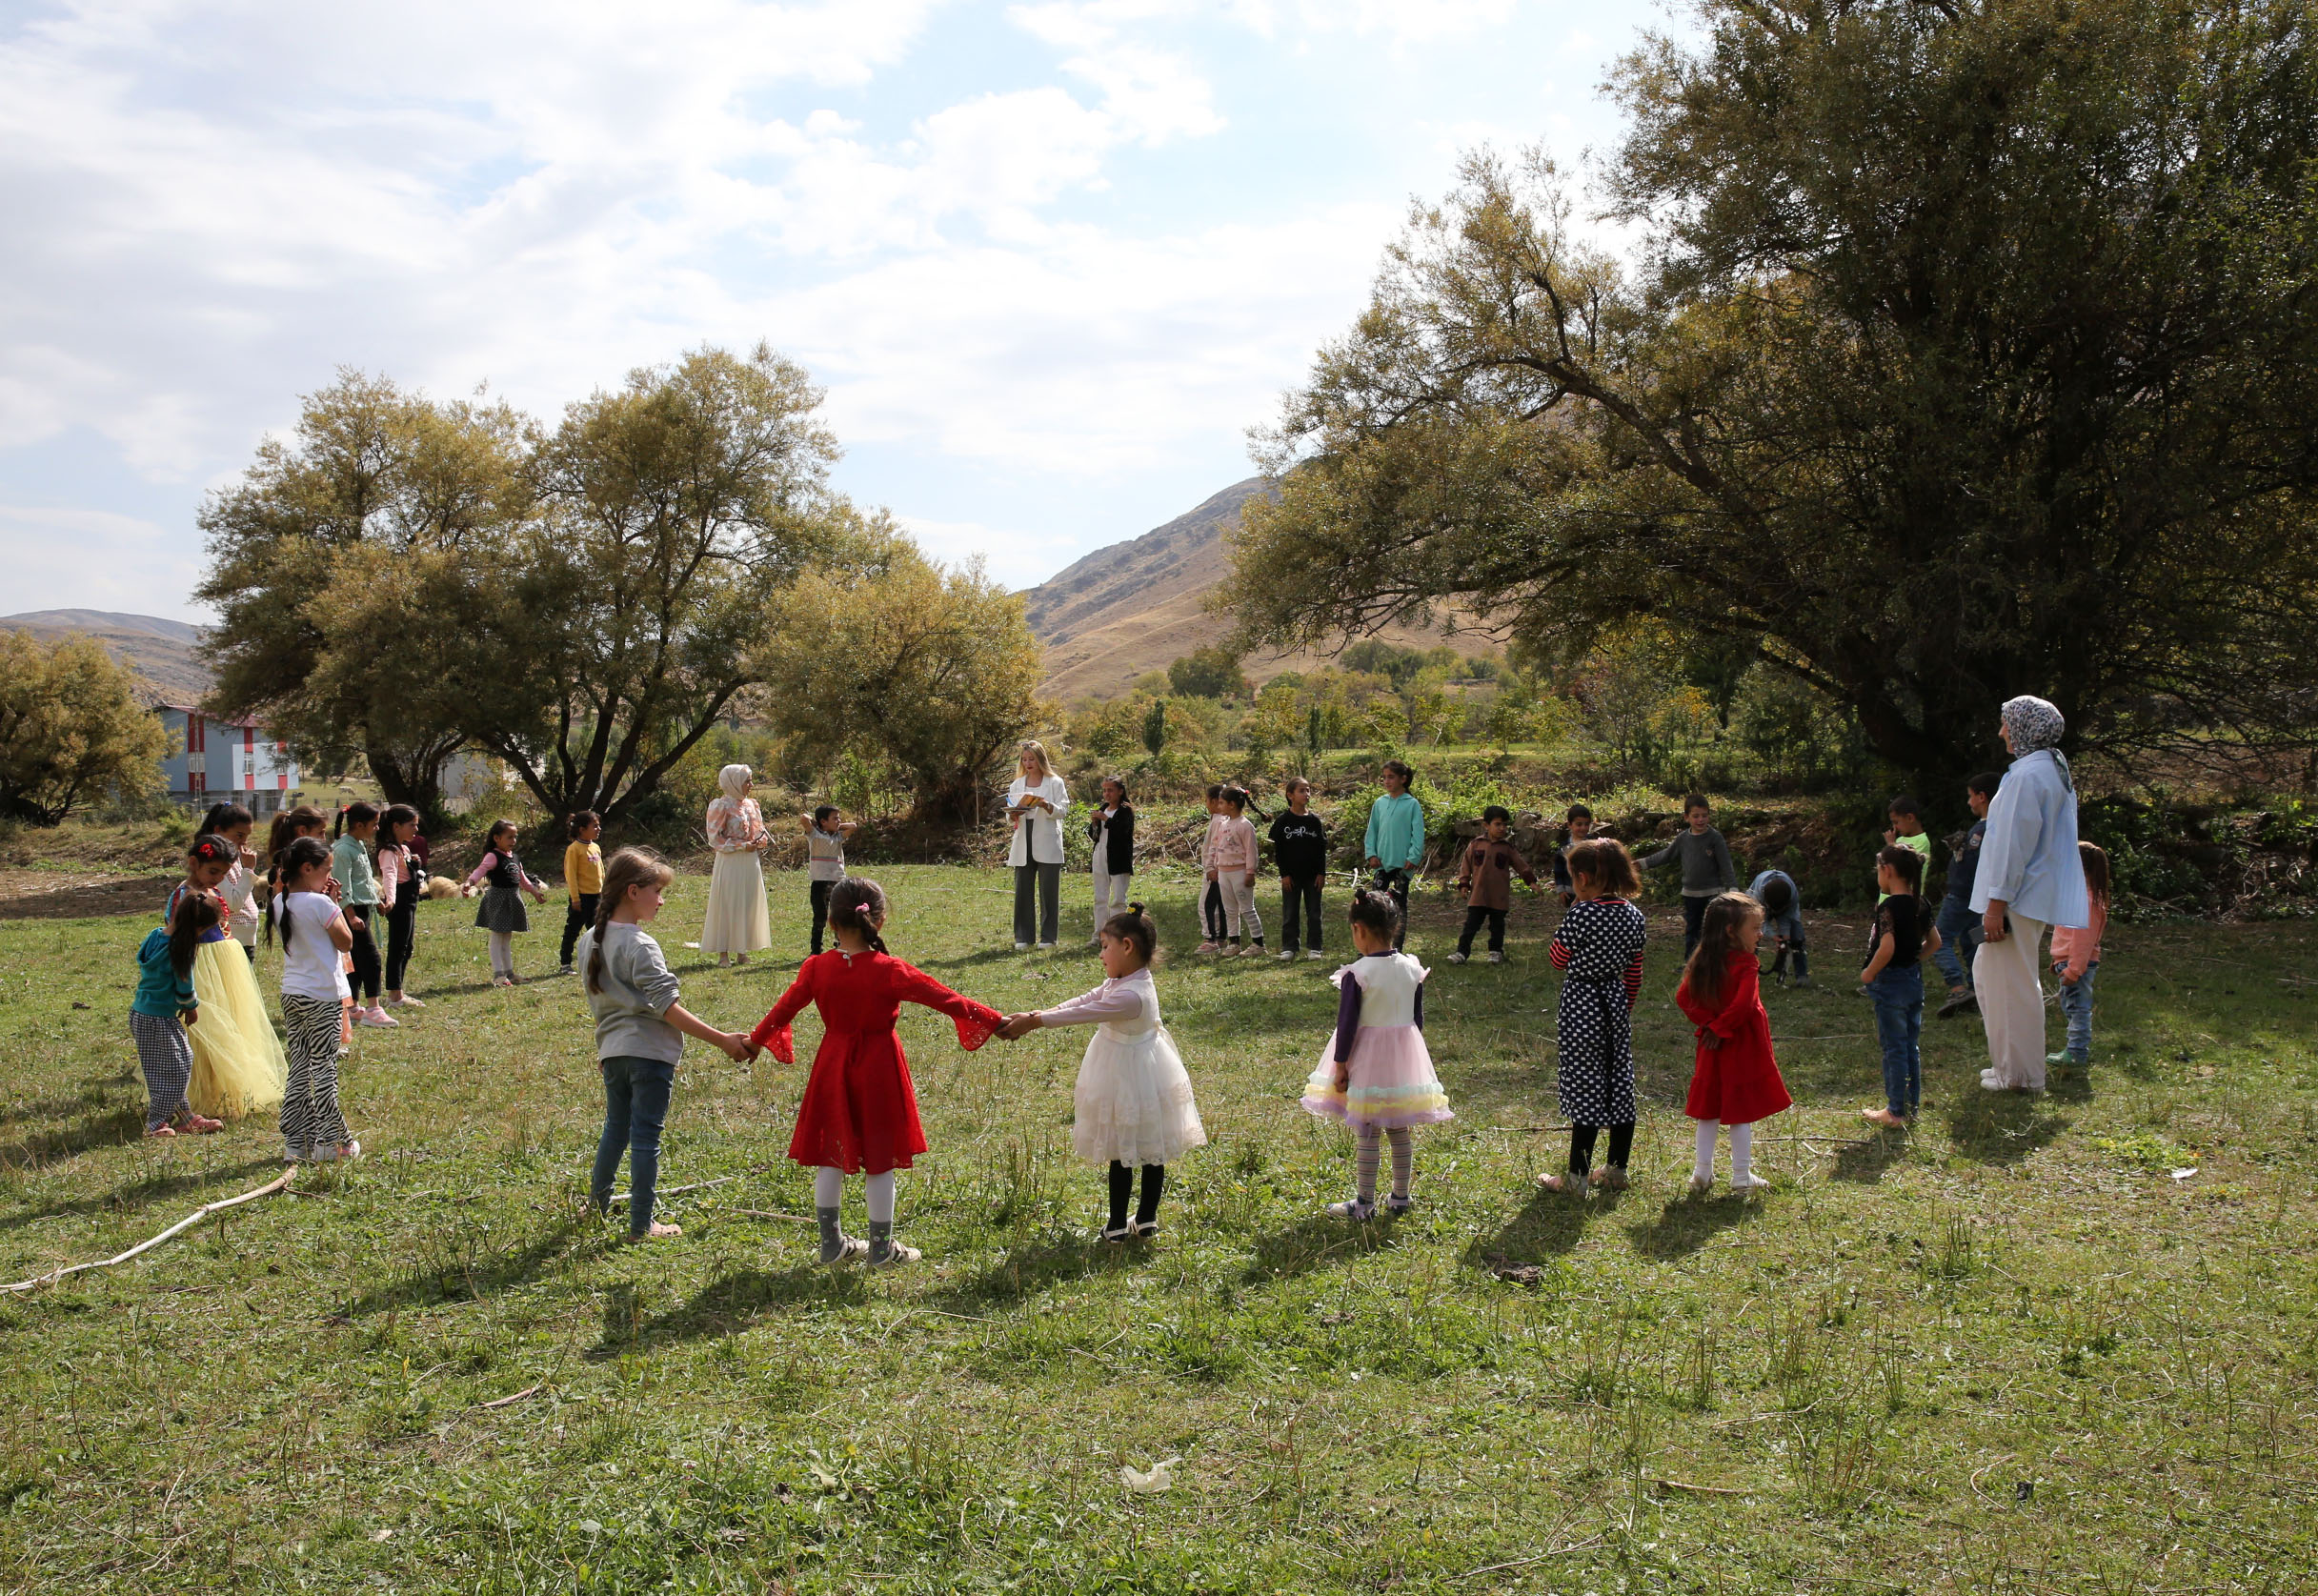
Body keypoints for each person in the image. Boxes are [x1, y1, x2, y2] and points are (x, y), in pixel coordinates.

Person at [747, 878, 1010, 1266]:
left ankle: (831, 1245)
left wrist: (753, 1042)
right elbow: (947, 999)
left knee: (829, 1156)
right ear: (880, 920)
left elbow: (781, 1012)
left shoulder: (816, 968)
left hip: (832, 1064)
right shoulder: (890, 969)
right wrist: (996, 1021)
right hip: (878, 1067)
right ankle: (882, 1249)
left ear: (831, 923)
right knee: (881, 1156)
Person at [576, 848, 754, 1242]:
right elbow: (668, 1008)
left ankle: (598, 1207)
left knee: (615, 1131)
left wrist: (607, 1050)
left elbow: (600, 1004)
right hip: (649, 1056)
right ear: (633, 891)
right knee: (645, 1137)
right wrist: (723, 1040)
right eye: (657, 890)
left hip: (613, 1054)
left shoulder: (588, 940)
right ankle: (642, 1224)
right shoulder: (641, 945)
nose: (662, 899)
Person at [998, 902, 1204, 1240]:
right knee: (1138, 1147)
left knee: (1135, 1149)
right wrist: (1037, 1013)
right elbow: (1086, 999)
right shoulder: (1125, 980)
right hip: (1130, 1068)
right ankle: (1131, 1221)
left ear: (1127, 947)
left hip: (1132, 1075)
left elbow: (1086, 1012)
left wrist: (1033, 1023)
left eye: (1104, 946)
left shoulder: (1133, 995)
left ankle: (1131, 1221)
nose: (1100, 955)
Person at [1299, 889, 1451, 1220]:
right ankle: (1400, 1197)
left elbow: (1348, 1024)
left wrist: (1340, 1066)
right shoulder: (1412, 967)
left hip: (1367, 1057)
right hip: (1403, 1055)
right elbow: (1416, 1018)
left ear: (1359, 930)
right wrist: (1411, 1057)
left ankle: (1364, 1203)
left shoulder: (1359, 973)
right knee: (1399, 1127)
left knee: (1367, 1128)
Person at [1973, 696, 2090, 1094]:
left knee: (2011, 986)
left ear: (2024, 727)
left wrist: (1996, 905)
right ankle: (2010, 1066)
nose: (2002, 731)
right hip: (2025, 896)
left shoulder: (2029, 776)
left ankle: (2020, 1076)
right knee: (1994, 977)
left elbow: (2013, 846)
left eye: (2006, 723)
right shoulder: (2045, 769)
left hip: (2017, 897)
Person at [1542, 838, 1647, 1193]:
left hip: (1582, 1002)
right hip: (1614, 1001)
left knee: (1586, 1087)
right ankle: (1617, 1169)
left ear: (1583, 879)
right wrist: (1623, 1007)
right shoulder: (1633, 915)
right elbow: (1634, 971)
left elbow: (1557, 959)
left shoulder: (1581, 913)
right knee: (1619, 1082)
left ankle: (1577, 1178)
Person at [165, 835, 288, 1123]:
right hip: (200, 965)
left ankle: (229, 1086)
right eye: (213, 872)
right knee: (205, 1028)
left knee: (231, 1021)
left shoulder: (211, 890)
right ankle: (202, 1092)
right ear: (193, 864)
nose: (218, 879)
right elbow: (175, 937)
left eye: (222, 873)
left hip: (225, 965)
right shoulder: (184, 895)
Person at [1676, 891, 1790, 1193]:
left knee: (1709, 1109)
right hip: (1739, 1045)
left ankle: (1701, 1173)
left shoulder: (1702, 959)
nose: (1760, 934)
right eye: (1754, 928)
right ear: (1731, 931)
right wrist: (1721, 1026)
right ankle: (1741, 1176)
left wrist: (1709, 1024)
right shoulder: (1746, 963)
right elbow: (1744, 1006)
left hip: (1712, 1046)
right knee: (1740, 1110)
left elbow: (1683, 998)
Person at [271, 837, 359, 1163]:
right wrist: (333, 904)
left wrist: (327, 900)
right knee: (323, 1068)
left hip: (292, 993)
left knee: (299, 1066)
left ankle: (297, 1140)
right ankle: (333, 1141)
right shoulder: (321, 904)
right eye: (327, 871)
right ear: (307, 869)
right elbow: (345, 941)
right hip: (321, 996)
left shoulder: (280, 900)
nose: (329, 877)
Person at [1859, 847, 1941, 1128]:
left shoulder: (1889, 907)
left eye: (1878, 869)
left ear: (1888, 871)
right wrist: (1914, 958)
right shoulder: (1922, 904)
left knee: (1893, 1048)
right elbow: (1935, 942)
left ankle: (1895, 1111)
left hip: (1890, 983)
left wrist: (1869, 973)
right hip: (1913, 981)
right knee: (1909, 1046)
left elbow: (1887, 945)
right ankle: (1909, 1107)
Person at [132, 894, 224, 1138]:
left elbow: (142, 959)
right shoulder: (182, 949)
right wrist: (191, 1006)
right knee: (175, 1069)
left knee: (176, 1062)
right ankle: (156, 1123)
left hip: (143, 1013)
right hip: (158, 1018)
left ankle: (185, 1117)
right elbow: (185, 986)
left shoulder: (155, 935)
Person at [1934, 772, 2002, 1019]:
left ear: (1982, 797)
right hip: (1977, 901)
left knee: (1938, 941)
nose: (1969, 802)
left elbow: (1975, 867)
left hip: (1962, 899)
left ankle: (1958, 989)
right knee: (1972, 942)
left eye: (1971, 797)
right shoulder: (1994, 826)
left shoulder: (1983, 831)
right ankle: (1978, 989)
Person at [1643, 795, 1738, 957]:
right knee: (1692, 928)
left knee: (1712, 929)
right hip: (1691, 894)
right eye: (1696, 816)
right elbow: (1666, 855)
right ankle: (1690, 962)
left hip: (1713, 892)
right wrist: (1643, 863)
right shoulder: (1683, 839)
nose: (1700, 820)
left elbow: (1725, 864)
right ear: (1686, 817)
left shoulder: (1715, 838)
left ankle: (1714, 961)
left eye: (1704, 815)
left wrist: (1733, 888)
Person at [462, 818, 550, 986]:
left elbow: (522, 879)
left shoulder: (515, 858)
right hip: (498, 899)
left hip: (512, 898)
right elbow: (480, 870)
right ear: (497, 838)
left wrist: (535, 893)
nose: (513, 841)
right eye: (509, 837)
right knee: (497, 936)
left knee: (507, 936)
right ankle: (498, 975)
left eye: (515, 837)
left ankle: (509, 973)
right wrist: (470, 882)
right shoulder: (493, 856)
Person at [2047, 841, 2110, 1074]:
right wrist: (2057, 961)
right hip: (2068, 962)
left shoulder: (2086, 901)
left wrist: (2074, 969)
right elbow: (2067, 936)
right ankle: (2073, 1049)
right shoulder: (2078, 898)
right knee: (2071, 1006)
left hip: (2077, 965)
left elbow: (2082, 942)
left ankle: (2076, 1053)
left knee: (2078, 1008)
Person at [1449, 805, 1538, 964]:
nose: (1502, 828)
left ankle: (1496, 952)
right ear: (1486, 825)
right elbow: (1466, 866)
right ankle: (1461, 953)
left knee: (1497, 927)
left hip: (1499, 896)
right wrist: (1464, 884)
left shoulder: (1507, 848)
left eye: (1505, 825)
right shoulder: (1476, 845)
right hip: (1478, 895)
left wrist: (1531, 882)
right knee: (1471, 926)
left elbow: (1520, 865)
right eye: (1498, 824)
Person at [332, 803, 394, 1028]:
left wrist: (376, 900)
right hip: (352, 913)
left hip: (362, 909)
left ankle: (353, 1006)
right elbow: (342, 885)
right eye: (374, 824)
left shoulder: (356, 846)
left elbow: (363, 881)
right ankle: (374, 1008)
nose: (377, 828)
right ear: (359, 825)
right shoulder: (342, 850)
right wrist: (349, 914)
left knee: (357, 960)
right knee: (370, 958)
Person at [702, 765, 773, 966]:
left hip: (750, 861)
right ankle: (723, 954)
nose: (750, 785)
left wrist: (758, 841)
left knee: (747, 902)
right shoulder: (720, 806)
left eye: (750, 780)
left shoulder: (751, 805)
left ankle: (742, 951)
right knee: (728, 903)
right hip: (731, 860)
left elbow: (759, 830)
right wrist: (742, 846)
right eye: (746, 781)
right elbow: (715, 839)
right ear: (733, 782)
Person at [1006, 741, 1070, 952]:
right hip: (1024, 836)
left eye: (1031, 759)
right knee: (1022, 889)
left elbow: (1063, 810)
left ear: (1040, 759)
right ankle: (1024, 937)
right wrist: (1013, 813)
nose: (1028, 763)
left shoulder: (1055, 782)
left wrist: (1045, 804)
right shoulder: (1017, 784)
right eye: (1024, 759)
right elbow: (1010, 813)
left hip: (1047, 838)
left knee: (1048, 890)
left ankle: (1048, 938)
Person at [1362, 759, 1424, 951]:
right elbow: (1372, 830)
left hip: (1402, 866)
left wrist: (1413, 858)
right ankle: (1375, 947)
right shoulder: (1380, 803)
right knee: (1376, 906)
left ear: (1403, 779)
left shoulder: (1412, 804)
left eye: (1391, 777)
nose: (1387, 781)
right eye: (1384, 777)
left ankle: (1396, 949)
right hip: (1382, 864)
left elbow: (1418, 834)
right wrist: (1371, 854)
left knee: (1398, 907)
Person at [1269, 777, 1329, 961]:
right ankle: (1289, 947)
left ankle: (1315, 947)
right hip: (1291, 877)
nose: (1307, 794)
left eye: (1308, 790)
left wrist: (1322, 873)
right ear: (1290, 795)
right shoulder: (1283, 821)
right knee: (1290, 912)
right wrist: (1284, 874)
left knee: (1314, 912)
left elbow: (1321, 850)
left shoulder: (1314, 822)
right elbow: (1278, 851)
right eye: (1302, 791)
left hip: (1313, 877)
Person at [1204, 786, 1264, 957]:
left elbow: (1251, 851)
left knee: (1246, 908)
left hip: (1240, 873)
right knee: (1230, 910)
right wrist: (1212, 866)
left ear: (1231, 804)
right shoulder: (1223, 825)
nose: (1219, 806)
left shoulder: (1245, 826)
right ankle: (1234, 942)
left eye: (1222, 803)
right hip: (1224, 873)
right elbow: (1215, 847)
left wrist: (1250, 872)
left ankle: (1258, 943)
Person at [197, 801, 261, 960]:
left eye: (247, 836)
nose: (244, 842)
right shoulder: (214, 865)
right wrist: (248, 870)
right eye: (239, 835)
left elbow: (242, 892)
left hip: (244, 940)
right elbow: (232, 903)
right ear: (218, 830)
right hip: (230, 939)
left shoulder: (233, 858)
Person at [376, 804, 425, 1008]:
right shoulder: (389, 852)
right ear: (396, 826)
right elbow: (390, 876)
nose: (416, 829)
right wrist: (391, 899)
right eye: (412, 825)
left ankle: (398, 992)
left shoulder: (403, 849)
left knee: (407, 947)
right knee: (398, 947)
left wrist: (415, 862)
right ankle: (395, 995)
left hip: (410, 900)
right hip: (400, 901)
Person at [1086, 778, 1135, 947]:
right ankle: (1099, 934)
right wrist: (1095, 823)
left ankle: (1117, 935)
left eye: (1110, 790)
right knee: (1100, 898)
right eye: (1105, 790)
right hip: (1100, 854)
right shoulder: (1102, 809)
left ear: (1120, 791)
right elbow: (1094, 835)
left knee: (1118, 899)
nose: (1107, 794)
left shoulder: (1125, 810)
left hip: (1118, 857)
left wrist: (1106, 819)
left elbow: (1123, 832)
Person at [804, 805, 856, 957]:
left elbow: (853, 826)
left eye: (839, 818)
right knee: (820, 916)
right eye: (835, 818)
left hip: (837, 881)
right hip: (820, 882)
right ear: (823, 821)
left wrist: (837, 825)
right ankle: (816, 951)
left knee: (839, 915)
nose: (839, 821)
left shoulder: (838, 836)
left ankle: (841, 945)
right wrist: (818, 826)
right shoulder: (814, 835)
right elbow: (803, 818)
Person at [1746, 868, 1810, 988]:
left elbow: (1787, 918)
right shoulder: (1756, 895)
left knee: (1797, 937)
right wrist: (1773, 936)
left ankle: (1802, 976)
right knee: (1750, 936)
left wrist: (1784, 937)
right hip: (1757, 907)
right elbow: (1759, 921)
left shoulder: (1792, 895)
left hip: (1785, 907)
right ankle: (1749, 971)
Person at [559, 811, 604, 976]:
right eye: (595, 826)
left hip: (597, 896)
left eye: (599, 825)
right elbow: (570, 875)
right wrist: (576, 899)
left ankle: (597, 962)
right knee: (573, 930)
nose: (599, 829)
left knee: (597, 930)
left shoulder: (595, 847)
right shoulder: (574, 849)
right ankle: (565, 963)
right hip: (582, 898)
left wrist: (604, 891)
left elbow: (601, 872)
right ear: (581, 829)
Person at [1195, 785, 1230, 953]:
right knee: (1220, 904)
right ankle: (1222, 937)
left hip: (1214, 871)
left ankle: (1210, 939)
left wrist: (1210, 868)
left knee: (1206, 904)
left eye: (1207, 800)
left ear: (1215, 801)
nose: (1206, 804)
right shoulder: (1224, 820)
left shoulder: (1218, 821)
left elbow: (1215, 847)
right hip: (1222, 869)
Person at [1882, 796, 1933, 903]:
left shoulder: (1922, 841)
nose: (1894, 828)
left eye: (1896, 822)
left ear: (1910, 818)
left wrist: (1891, 845)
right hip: (1888, 898)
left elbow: (1903, 868)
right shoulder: (1899, 839)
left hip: (1907, 899)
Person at [1550, 804, 1598, 907]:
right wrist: (1561, 889)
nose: (1583, 828)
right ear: (1570, 825)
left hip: (1590, 891)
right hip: (1570, 891)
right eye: (1579, 824)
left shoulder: (1593, 843)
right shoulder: (1565, 846)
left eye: (1586, 824)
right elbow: (1558, 870)